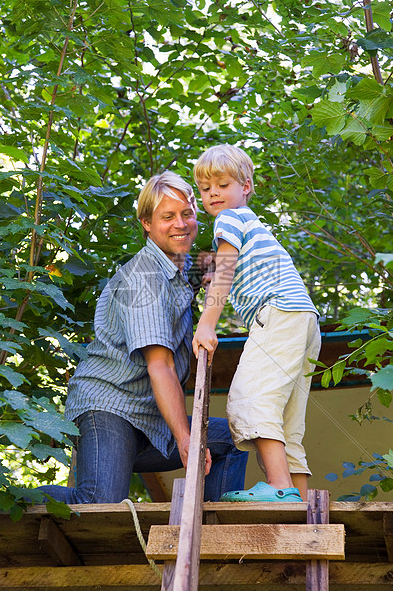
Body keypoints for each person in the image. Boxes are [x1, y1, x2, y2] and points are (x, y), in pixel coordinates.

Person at [37, 171, 248, 504]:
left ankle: (210, 528)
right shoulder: (143, 279)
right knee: (98, 503)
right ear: (147, 223)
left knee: (234, 439)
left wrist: (215, 264)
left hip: (151, 418)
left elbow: (206, 268)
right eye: (168, 217)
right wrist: (185, 438)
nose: (180, 223)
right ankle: (4, 505)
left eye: (187, 213)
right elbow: (160, 366)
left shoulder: (178, 266)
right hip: (110, 407)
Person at [192, 145, 320, 503]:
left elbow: (227, 272)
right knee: (286, 420)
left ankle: (279, 487)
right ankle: (301, 506)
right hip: (304, 320)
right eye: (205, 188)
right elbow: (231, 267)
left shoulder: (229, 219)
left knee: (251, 397)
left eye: (222, 184)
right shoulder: (250, 222)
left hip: (277, 313)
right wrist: (215, 272)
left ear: (245, 186)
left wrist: (206, 325)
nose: (213, 193)